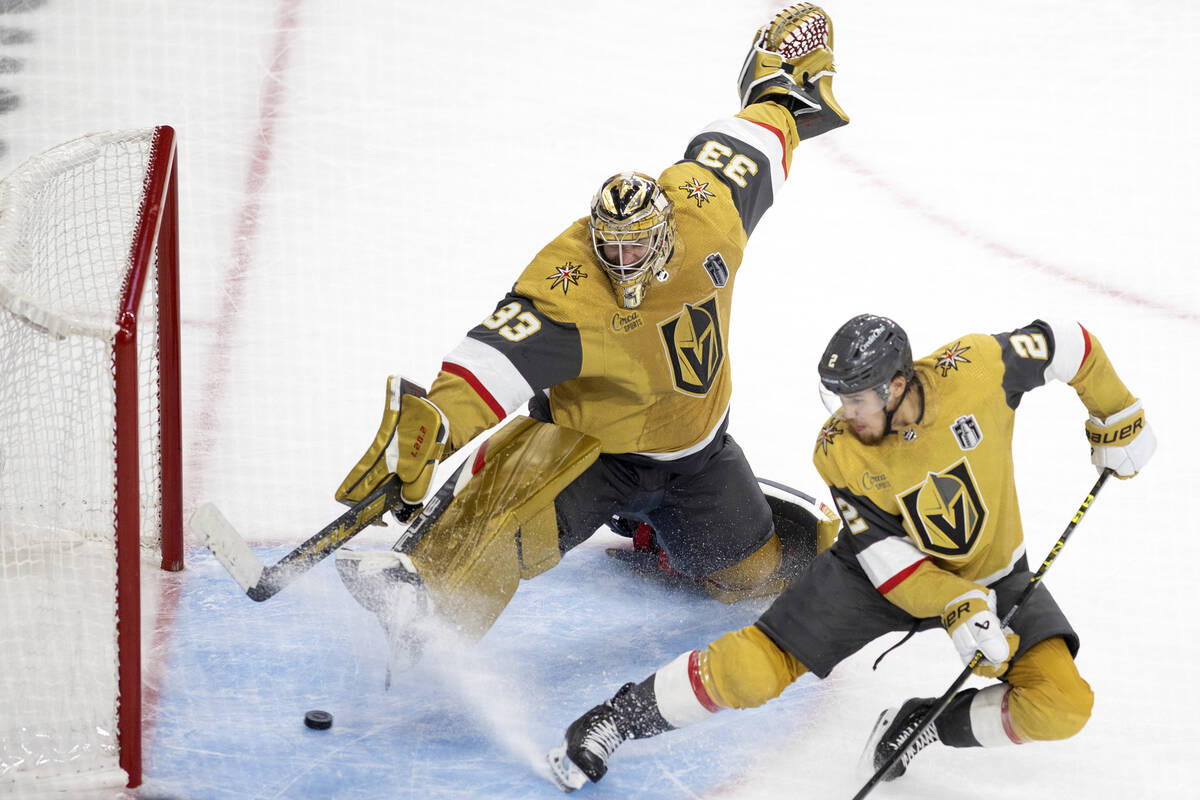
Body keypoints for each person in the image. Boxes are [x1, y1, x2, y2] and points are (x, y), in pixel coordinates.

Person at [331, 3, 849, 673]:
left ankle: (653, 533)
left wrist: (782, 87)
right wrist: (433, 426)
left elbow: (758, 137)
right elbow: (491, 361)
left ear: (666, 231)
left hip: (697, 455)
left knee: (745, 582)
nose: (624, 263)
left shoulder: (709, 213)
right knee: (502, 540)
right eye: (613, 249)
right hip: (587, 455)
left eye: (639, 249)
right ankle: (425, 590)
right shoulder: (569, 287)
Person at [546, 313, 1156, 792]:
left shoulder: (977, 368)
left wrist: (1116, 416)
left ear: (897, 386)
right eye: (837, 398)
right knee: (756, 671)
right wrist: (958, 604)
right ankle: (616, 720)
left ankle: (918, 726)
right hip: (873, 576)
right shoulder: (838, 449)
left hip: (993, 574)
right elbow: (883, 553)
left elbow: (1067, 341)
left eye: (856, 400)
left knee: (1061, 706)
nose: (844, 413)